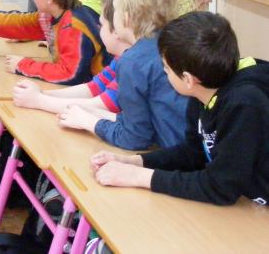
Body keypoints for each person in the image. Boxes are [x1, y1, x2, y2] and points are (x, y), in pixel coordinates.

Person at [91, 11, 269, 206]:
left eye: (166, 68)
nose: (164, 72)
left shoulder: (245, 104)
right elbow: (195, 153)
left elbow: (220, 187)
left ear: (188, 79)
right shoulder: (204, 88)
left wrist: (139, 177)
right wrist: (134, 162)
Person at [57, 0, 188, 150]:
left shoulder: (132, 61)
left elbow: (134, 138)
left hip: (176, 155)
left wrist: (90, 123)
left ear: (125, 18)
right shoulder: (168, 43)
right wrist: (94, 116)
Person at [14, 0, 130, 114]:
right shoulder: (122, 58)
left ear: (119, 28)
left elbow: (101, 106)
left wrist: (39, 100)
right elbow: (93, 88)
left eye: (101, 24)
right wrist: (42, 94)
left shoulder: (133, 65)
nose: (98, 28)